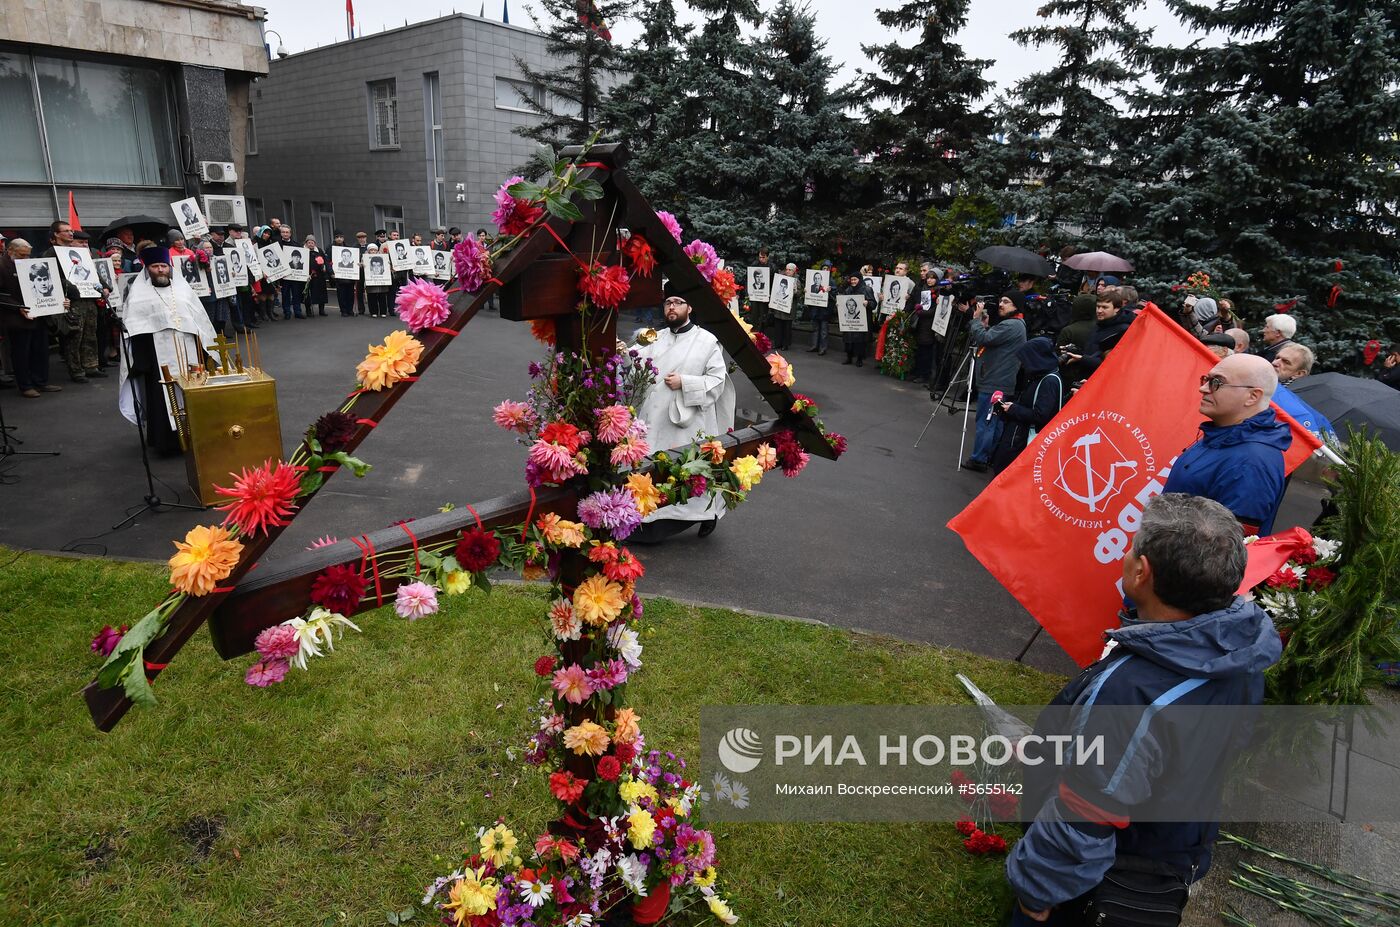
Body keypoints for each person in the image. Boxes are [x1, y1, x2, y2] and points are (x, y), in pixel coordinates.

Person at [1007, 493, 1280, 927]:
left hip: (1106, 875)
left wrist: (1039, 890)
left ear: (1141, 571)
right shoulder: (1239, 652)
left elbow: (1087, 813)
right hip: (1178, 843)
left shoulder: (1130, 695)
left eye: (1131, 547)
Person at [629, 293, 737, 542]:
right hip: (654, 418)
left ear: (689, 307)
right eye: (668, 303)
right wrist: (624, 353)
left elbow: (717, 381)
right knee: (652, 470)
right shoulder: (656, 337)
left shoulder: (706, 341)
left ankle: (705, 515)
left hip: (686, 422)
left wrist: (685, 383)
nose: (672, 307)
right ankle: (648, 522)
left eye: (678, 303)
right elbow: (635, 363)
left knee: (688, 471)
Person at [1161, 353, 1289, 535]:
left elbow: (1224, 545)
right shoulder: (1222, 434)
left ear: (1252, 396)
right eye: (1206, 380)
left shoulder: (1252, 461)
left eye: (1217, 383)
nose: (1203, 388)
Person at [118, 242, 219, 455]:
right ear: (148, 269)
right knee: (162, 397)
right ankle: (168, 443)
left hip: (189, 353)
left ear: (169, 267)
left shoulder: (183, 290)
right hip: (158, 357)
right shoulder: (138, 295)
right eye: (155, 266)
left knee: (193, 390)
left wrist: (205, 352)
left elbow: (200, 322)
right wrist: (142, 361)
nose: (160, 270)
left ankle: (197, 435)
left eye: (163, 266)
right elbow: (134, 329)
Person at [962, 291, 1028, 472]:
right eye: (1001, 301)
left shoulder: (1011, 325)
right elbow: (993, 338)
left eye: (1006, 302)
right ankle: (989, 456)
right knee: (994, 421)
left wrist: (976, 320)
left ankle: (979, 458)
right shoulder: (1016, 324)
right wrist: (984, 326)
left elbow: (984, 338)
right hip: (1000, 381)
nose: (1001, 304)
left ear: (1016, 306)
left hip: (995, 382)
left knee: (986, 421)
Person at [990, 338, 1065, 474]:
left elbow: (1041, 415)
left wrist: (1013, 409)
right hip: (1018, 438)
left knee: (1006, 476)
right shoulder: (1041, 376)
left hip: (1022, 441)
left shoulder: (1049, 381)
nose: (1023, 364)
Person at [0, 238, 60, 398]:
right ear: (10, 251)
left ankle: (41, 381)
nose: (26, 258)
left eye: (28, 255)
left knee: (40, 350)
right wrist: (18, 307)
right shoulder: (2, 266)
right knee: (21, 353)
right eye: (22, 255)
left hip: (37, 313)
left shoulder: (30, 264)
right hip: (16, 317)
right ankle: (25, 385)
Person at [42, 220, 101, 383]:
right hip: (71, 300)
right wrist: (70, 288)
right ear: (56, 234)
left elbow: (92, 271)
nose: (70, 233)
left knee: (90, 332)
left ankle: (91, 365)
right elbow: (50, 275)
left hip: (88, 297)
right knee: (74, 336)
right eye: (66, 231)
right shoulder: (50, 253)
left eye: (71, 231)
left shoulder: (79, 251)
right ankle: (76, 370)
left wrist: (104, 286)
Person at [909, 268, 942, 383]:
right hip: (920, 323)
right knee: (919, 349)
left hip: (929, 324)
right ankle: (917, 372)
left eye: (932, 278)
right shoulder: (924, 288)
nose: (929, 280)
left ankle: (924, 375)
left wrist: (922, 312)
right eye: (928, 278)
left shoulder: (939, 292)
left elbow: (936, 310)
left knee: (926, 351)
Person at [837, 271, 876, 367]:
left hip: (862, 321)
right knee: (848, 340)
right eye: (852, 280)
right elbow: (844, 302)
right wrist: (839, 304)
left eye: (855, 279)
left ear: (860, 279)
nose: (853, 281)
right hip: (850, 321)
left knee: (860, 341)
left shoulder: (867, 289)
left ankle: (859, 359)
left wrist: (868, 303)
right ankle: (849, 357)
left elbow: (874, 304)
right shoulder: (848, 290)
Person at [806, 263, 833, 355]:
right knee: (815, 328)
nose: (825, 270)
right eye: (823, 268)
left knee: (824, 330)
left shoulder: (831, 281)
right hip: (815, 309)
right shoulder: (812, 285)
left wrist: (830, 291)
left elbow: (834, 296)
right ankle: (814, 346)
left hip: (825, 310)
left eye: (827, 268)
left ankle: (823, 348)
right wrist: (807, 291)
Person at [771, 264, 797, 350]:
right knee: (778, 327)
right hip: (779, 308)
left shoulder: (796, 281)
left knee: (787, 328)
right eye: (787, 269)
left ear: (794, 271)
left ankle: (785, 344)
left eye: (790, 270)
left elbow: (799, 294)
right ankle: (777, 343)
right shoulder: (780, 278)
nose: (788, 271)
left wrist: (795, 291)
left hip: (788, 309)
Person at [303, 235, 329, 317]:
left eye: (312, 242)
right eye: (309, 242)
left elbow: (325, 261)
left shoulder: (319, 251)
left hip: (319, 276)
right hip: (308, 276)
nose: (310, 244)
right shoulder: (303, 251)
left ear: (315, 243)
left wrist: (324, 267)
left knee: (322, 293)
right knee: (308, 294)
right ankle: (308, 310)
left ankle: (322, 310)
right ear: (306, 243)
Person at [364, 246, 392, 318]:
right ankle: (373, 312)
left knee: (382, 297)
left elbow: (388, 268)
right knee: (372, 297)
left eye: (374, 250)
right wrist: (361, 265)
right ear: (368, 251)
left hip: (382, 282)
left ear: (377, 251)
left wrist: (388, 264)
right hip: (370, 282)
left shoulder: (383, 258)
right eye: (371, 250)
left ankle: (383, 312)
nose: (373, 251)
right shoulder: (364, 258)